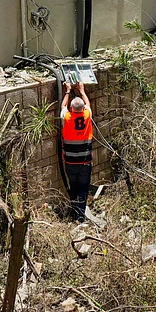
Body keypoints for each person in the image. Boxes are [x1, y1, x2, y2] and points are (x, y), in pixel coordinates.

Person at [60, 80, 93, 221]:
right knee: (83, 189)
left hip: (70, 163)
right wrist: (82, 90)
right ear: (83, 108)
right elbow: (89, 105)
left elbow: (63, 106)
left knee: (73, 187)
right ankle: (79, 216)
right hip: (85, 163)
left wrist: (67, 90)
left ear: (71, 109)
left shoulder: (66, 117)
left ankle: (75, 213)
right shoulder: (87, 116)